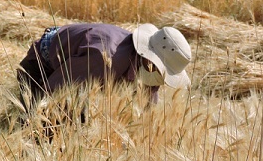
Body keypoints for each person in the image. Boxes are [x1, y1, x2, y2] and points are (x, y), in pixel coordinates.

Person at [17, 23, 192, 118]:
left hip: (79, 74)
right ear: (148, 57)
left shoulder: (150, 71)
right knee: (48, 125)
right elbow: (53, 91)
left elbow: (146, 113)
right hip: (43, 65)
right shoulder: (104, 58)